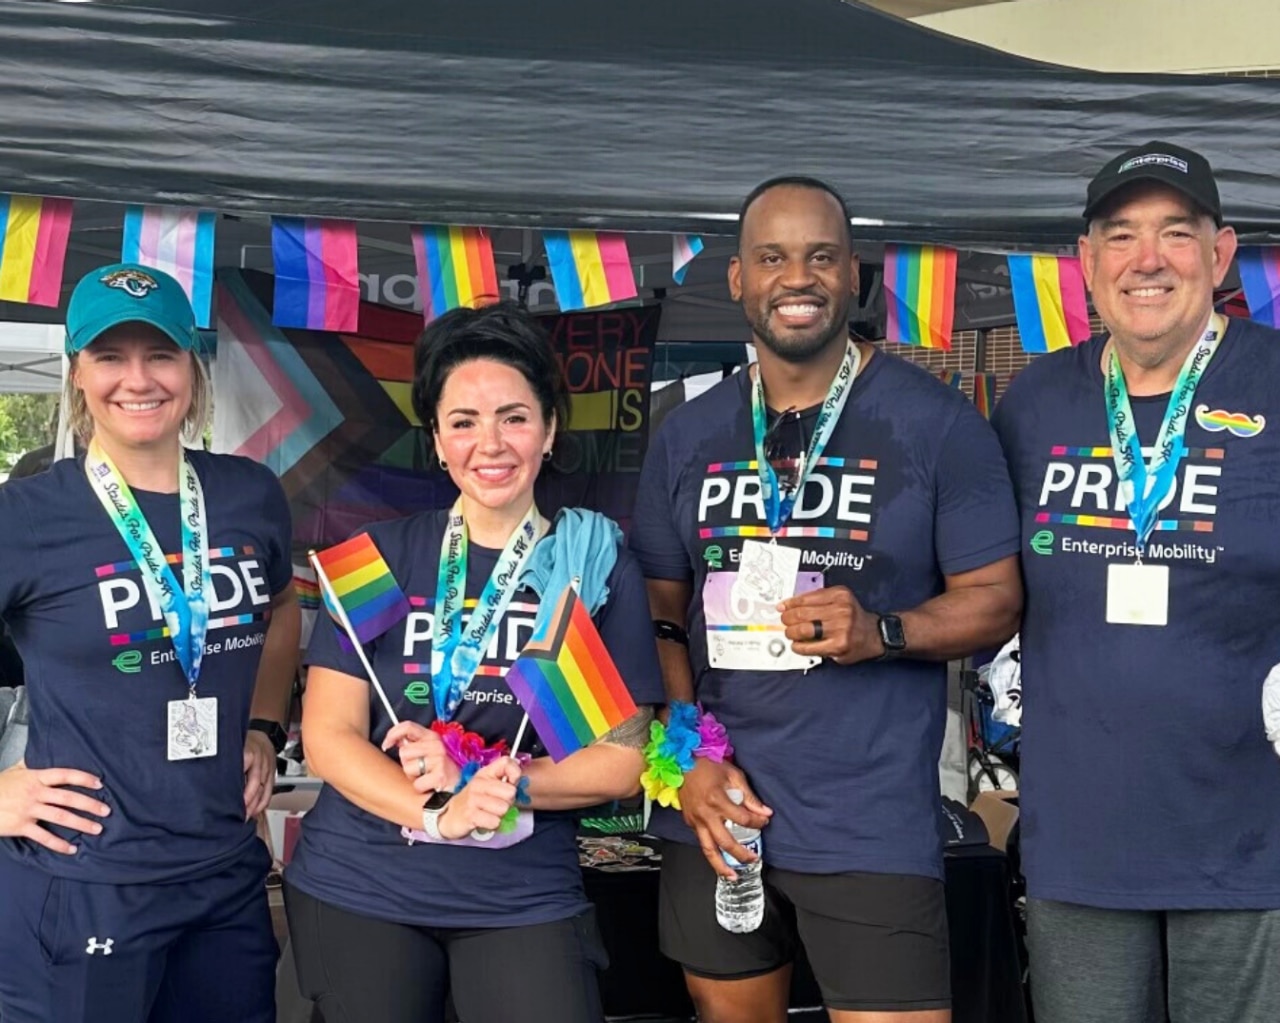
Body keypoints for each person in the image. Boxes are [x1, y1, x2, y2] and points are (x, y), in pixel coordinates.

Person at [629, 176, 1023, 1023]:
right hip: (718, 805)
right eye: (772, 257)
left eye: (820, 256)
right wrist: (686, 758)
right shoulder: (687, 433)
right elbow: (659, 613)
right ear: (739, 279)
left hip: (867, 817)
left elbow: (997, 600)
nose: (797, 278)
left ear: (854, 277)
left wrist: (885, 628)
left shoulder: (938, 424)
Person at [283, 301, 665, 1023]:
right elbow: (330, 737)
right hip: (362, 881)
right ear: (437, 439)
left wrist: (489, 783)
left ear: (549, 429)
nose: (490, 444)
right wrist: (440, 812)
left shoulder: (590, 568)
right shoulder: (378, 557)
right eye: (463, 421)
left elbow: (620, 761)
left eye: (513, 417)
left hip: (520, 894)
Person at [992, 141, 1280, 1023]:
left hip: (1251, 845)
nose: (1146, 259)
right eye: (1120, 236)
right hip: (1081, 845)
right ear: (1086, 262)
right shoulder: (1033, 404)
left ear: (1221, 254)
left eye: (1175, 233)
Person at [0, 263, 300, 1023]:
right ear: (77, 371)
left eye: (160, 354)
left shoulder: (250, 492)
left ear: (192, 369)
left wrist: (264, 727)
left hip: (225, 875)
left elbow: (282, 605)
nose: (138, 379)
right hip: (87, 879)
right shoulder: (27, 515)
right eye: (110, 356)